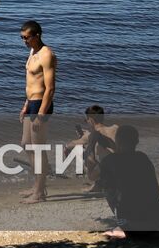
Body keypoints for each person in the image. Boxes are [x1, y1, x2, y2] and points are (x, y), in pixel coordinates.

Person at [99, 125, 159, 239]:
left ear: (117, 141)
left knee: (107, 184)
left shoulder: (110, 161)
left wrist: (92, 149)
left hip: (132, 222)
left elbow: (92, 175)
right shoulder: (143, 158)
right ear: (137, 141)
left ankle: (124, 226)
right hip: (157, 221)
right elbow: (127, 164)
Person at [18, 20, 57, 203]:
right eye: (22, 38)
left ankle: (40, 192)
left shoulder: (46, 54)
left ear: (37, 36)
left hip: (42, 104)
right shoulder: (32, 51)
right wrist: (25, 105)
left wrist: (41, 114)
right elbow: (31, 82)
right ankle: (37, 185)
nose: (24, 41)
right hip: (31, 103)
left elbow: (50, 88)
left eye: (26, 38)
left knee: (38, 149)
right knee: (26, 144)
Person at [66, 105, 119, 192]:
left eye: (86, 120)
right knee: (95, 149)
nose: (87, 122)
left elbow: (70, 145)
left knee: (81, 151)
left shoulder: (90, 135)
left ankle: (98, 184)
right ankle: (101, 183)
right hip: (122, 166)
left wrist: (81, 139)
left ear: (91, 120)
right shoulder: (115, 128)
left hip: (108, 168)